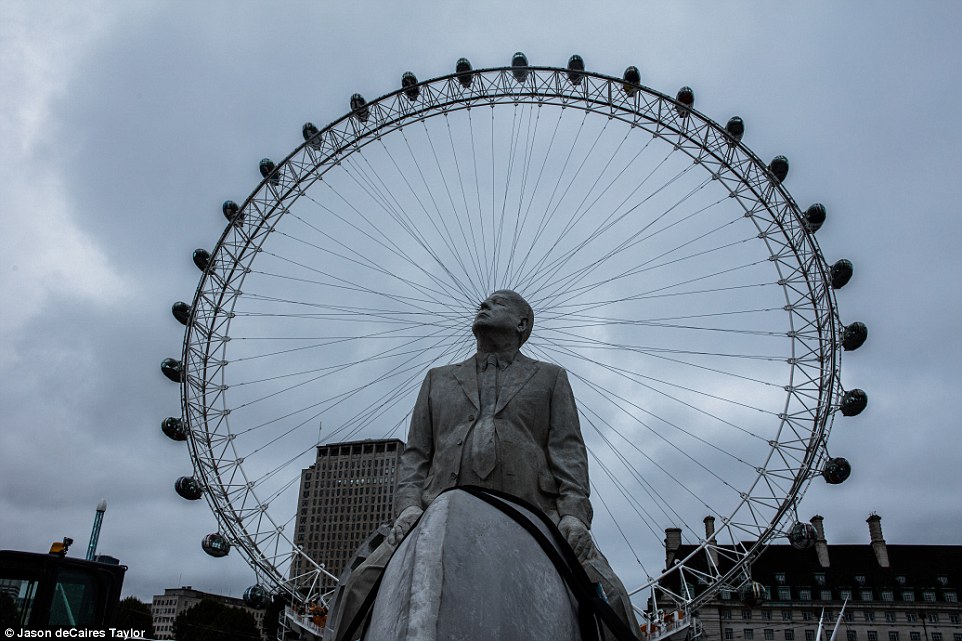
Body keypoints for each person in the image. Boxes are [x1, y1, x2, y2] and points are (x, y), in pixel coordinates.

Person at [328, 290, 638, 639]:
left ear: (522, 324)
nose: (484, 305)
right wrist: (408, 508)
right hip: (435, 508)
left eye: (498, 303)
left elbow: (567, 450)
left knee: (613, 598)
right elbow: (416, 454)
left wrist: (574, 516)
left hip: (535, 509)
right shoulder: (437, 379)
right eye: (484, 303)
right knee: (359, 585)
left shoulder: (550, 378)